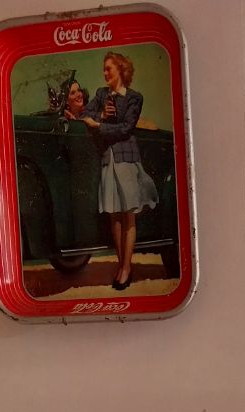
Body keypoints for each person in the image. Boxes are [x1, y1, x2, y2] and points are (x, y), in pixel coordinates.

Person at [80, 52, 158, 290]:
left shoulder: (134, 98)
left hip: (126, 159)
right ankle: (121, 264)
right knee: (114, 213)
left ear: (121, 70)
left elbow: (126, 128)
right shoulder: (101, 94)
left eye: (109, 69)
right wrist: (102, 115)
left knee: (128, 214)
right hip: (108, 159)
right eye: (104, 69)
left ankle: (126, 267)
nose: (105, 73)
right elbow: (85, 113)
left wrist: (99, 125)